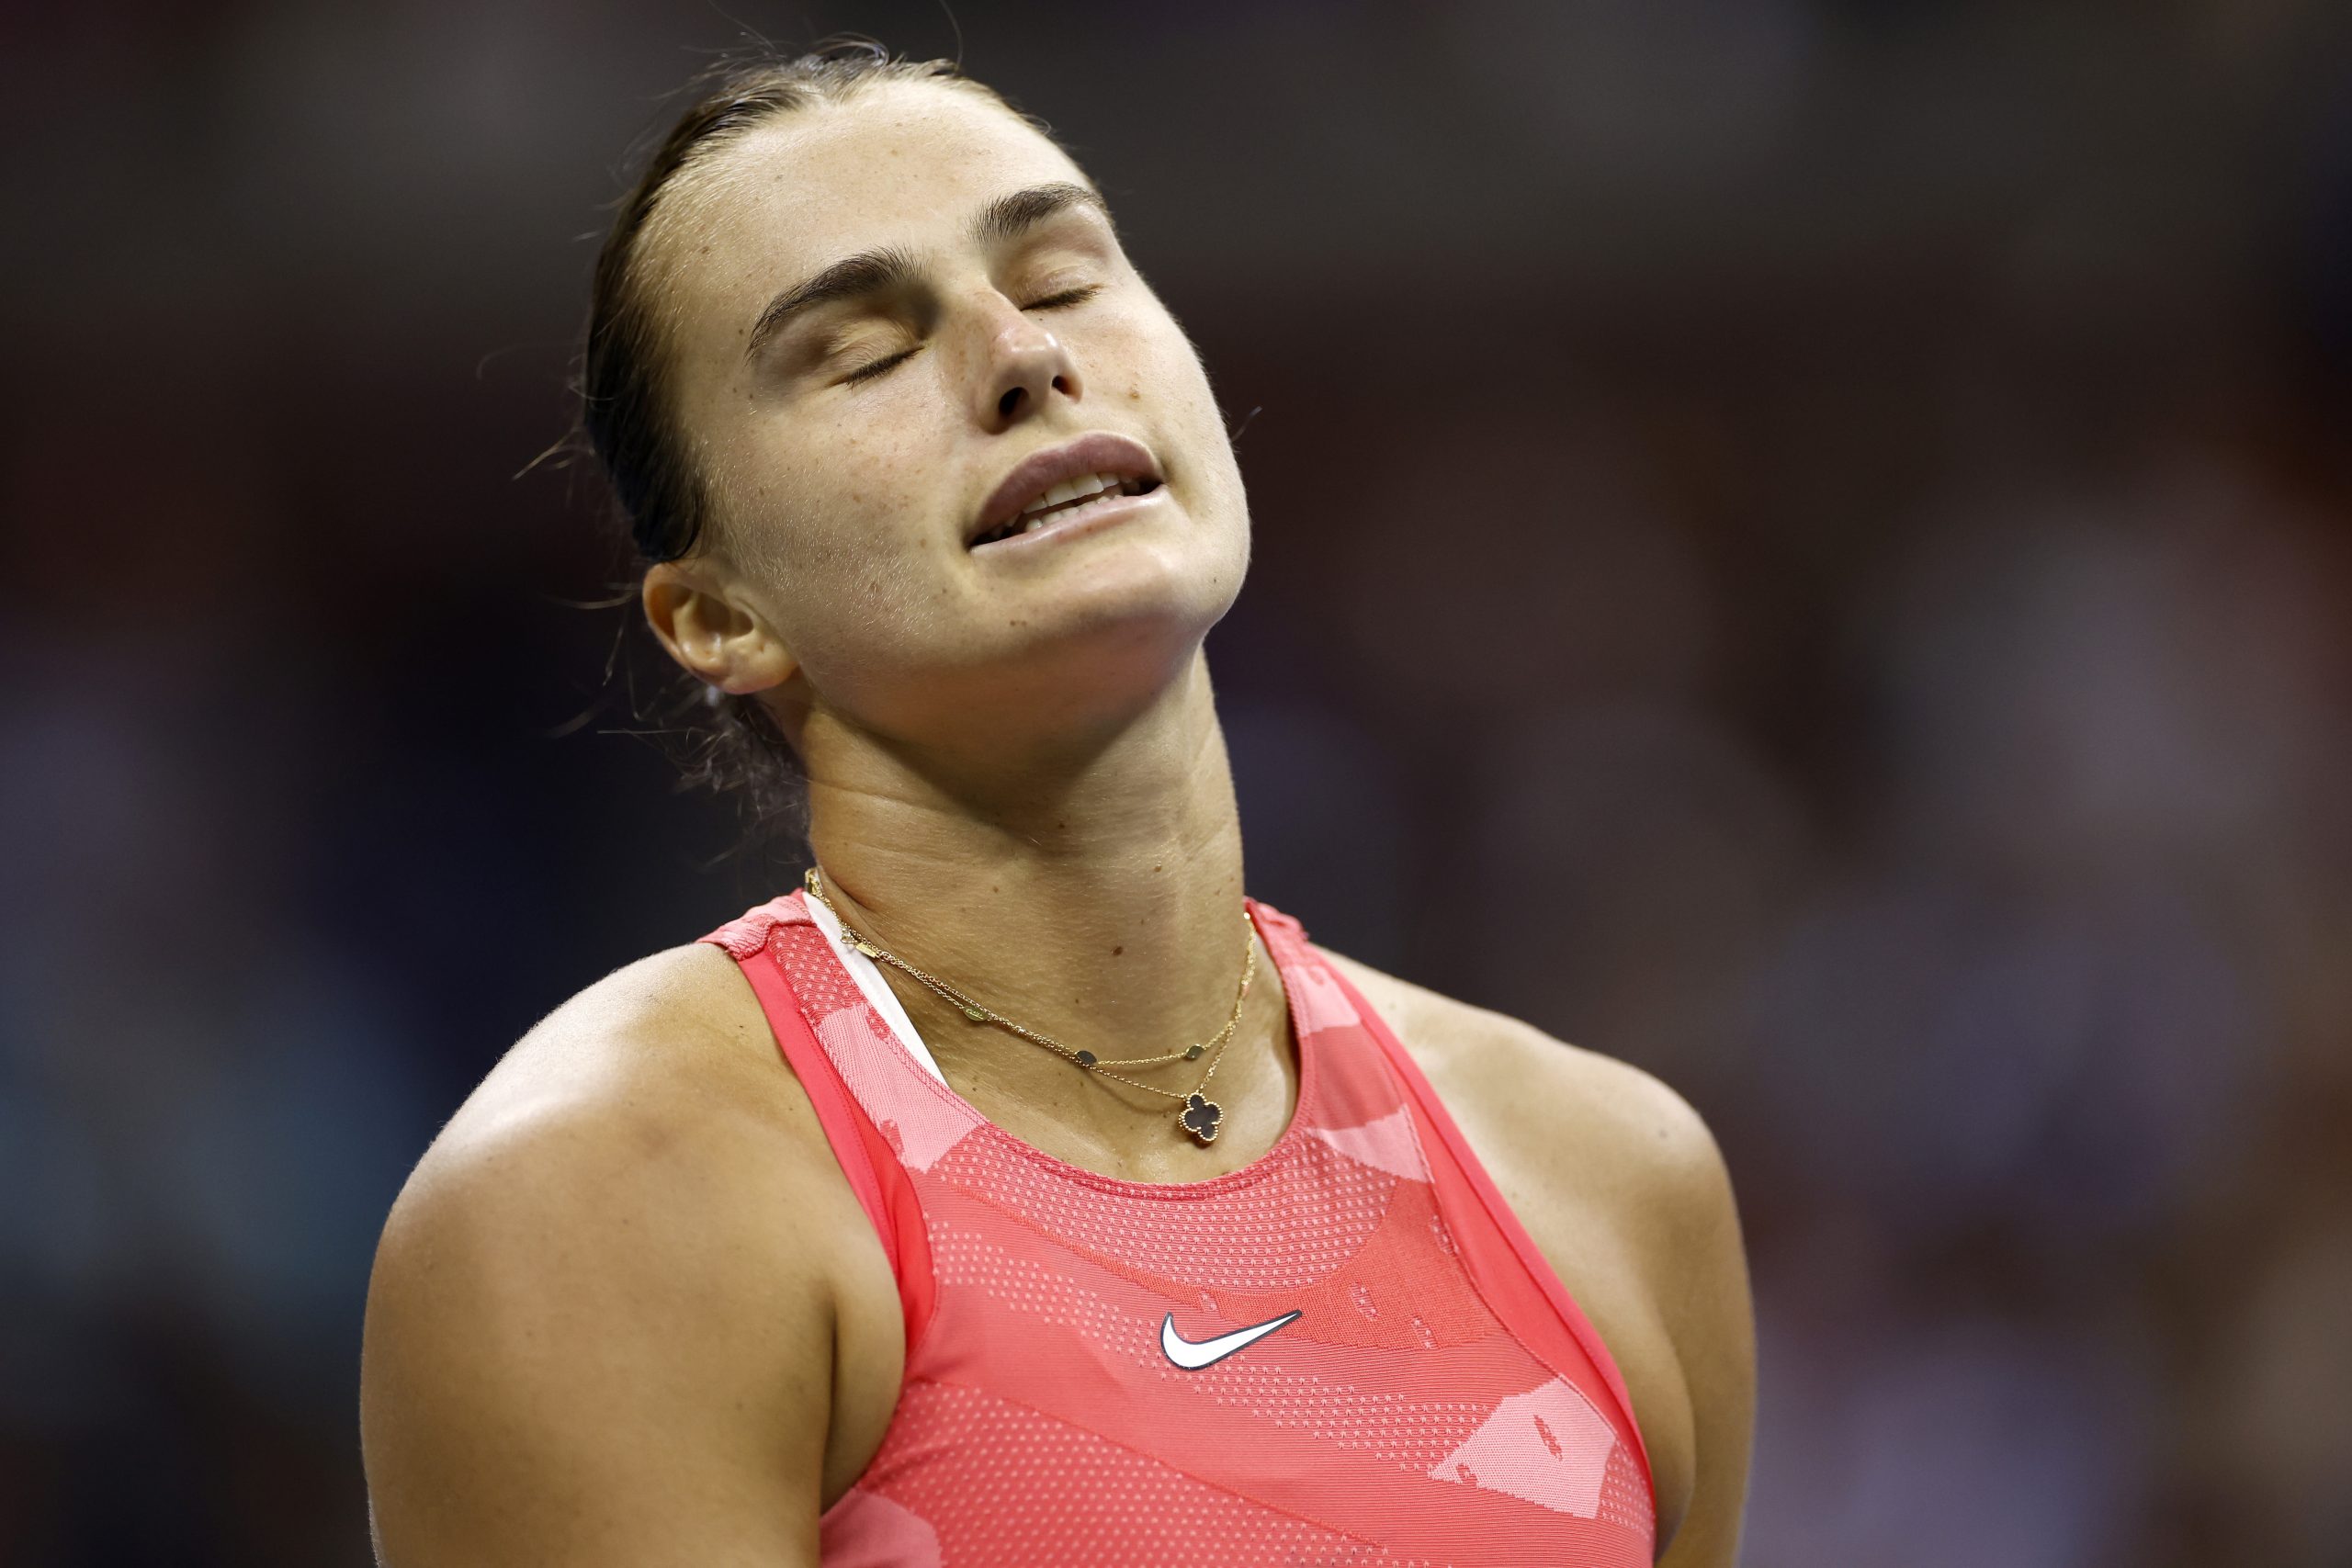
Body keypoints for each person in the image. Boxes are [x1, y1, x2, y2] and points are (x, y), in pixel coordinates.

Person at [359, 45, 1754, 1568]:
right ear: (719, 617)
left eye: (1067, 273)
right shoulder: (614, 1199)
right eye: (862, 352)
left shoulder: (1611, 1186)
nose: (1022, 355)